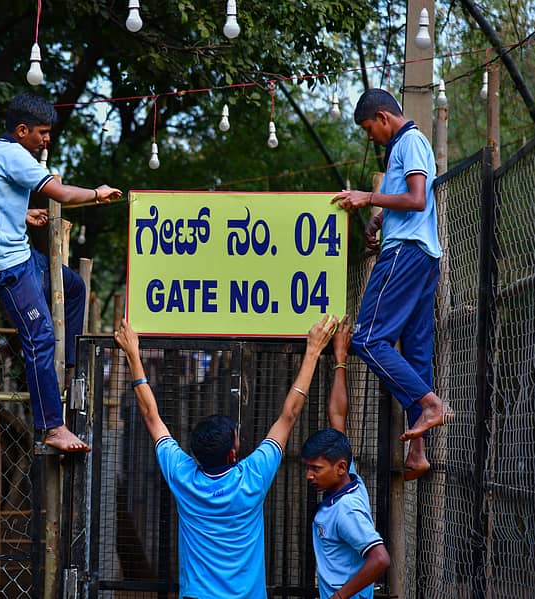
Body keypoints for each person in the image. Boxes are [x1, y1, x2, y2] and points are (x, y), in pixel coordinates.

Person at [113, 315, 337, 598]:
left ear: (194, 455)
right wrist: (314, 350)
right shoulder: (253, 476)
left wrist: (133, 353)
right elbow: (289, 414)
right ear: (233, 453)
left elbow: (150, 415)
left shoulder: (183, 476)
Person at [0, 92, 122, 453]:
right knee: (40, 336)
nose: (46, 140)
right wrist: (97, 193)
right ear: (22, 130)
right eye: (42, 133)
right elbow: (60, 194)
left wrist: (21, 215)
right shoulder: (17, 156)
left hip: (16, 252)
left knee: (73, 286)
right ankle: (52, 426)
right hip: (6, 264)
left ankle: (69, 367)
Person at [330, 88, 452, 480]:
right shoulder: (402, 148)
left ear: (383, 117)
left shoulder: (410, 141)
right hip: (422, 256)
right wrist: (379, 218)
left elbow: (418, 199)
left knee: (367, 339)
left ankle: (431, 404)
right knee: (416, 355)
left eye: (369, 128)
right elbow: (408, 198)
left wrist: (368, 197)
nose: (370, 136)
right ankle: (417, 450)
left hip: (405, 254)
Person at [302, 317, 390, 599]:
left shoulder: (346, 510)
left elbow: (380, 559)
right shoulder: (347, 478)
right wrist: (341, 359)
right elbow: (337, 416)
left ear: (338, 468)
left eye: (316, 469)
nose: (309, 475)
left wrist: (339, 597)